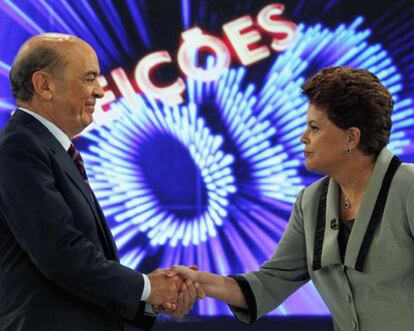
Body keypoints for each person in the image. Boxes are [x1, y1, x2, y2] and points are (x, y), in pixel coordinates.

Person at [171, 66, 414, 331]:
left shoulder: (409, 188)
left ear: (351, 138)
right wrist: (199, 282)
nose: (303, 137)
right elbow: (270, 283)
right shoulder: (310, 202)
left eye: (314, 127)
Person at [0, 33, 203, 331]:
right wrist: (148, 287)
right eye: (89, 78)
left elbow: (76, 263)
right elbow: (61, 254)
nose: (99, 91)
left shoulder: (49, 148)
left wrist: (146, 297)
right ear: (44, 85)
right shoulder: (20, 147)